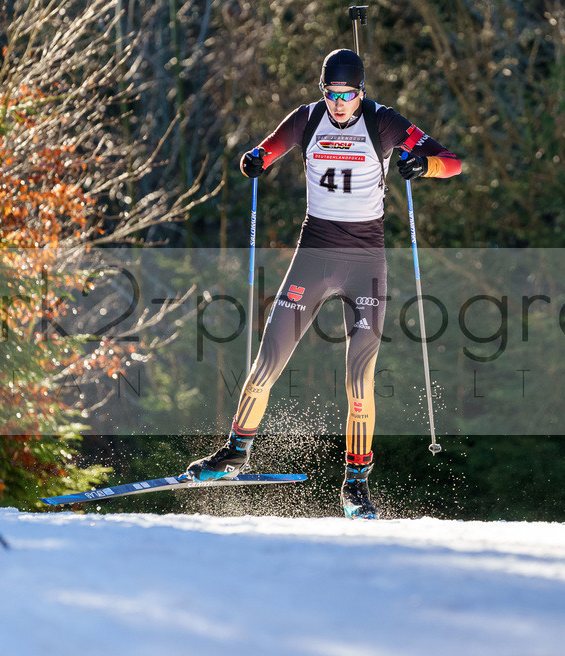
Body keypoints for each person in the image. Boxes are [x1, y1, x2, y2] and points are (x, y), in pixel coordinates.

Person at [180, 48, 461, 518]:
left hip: (365, 262)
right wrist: (256, 159)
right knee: (266, 361)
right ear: (322, 91)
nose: (340, 104)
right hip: (313, 256)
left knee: (359, 378)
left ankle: (355, 483)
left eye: (348, 95)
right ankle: (235, 452)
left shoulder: (383, 123)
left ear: (361, 92)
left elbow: (451, 161)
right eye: (333, 95)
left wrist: (424, 167)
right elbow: (268, 146)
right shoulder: (308, 120)